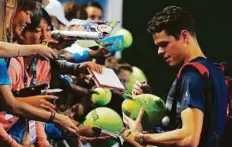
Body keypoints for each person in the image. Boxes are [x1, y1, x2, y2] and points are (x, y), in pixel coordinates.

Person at [124, 6, 228, 147]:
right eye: (158, 46)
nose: (160, 51)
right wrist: (150, 100)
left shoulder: (192, 74)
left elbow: (189, 138)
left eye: (164, 44)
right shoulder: (213, 71)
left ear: (185, 36)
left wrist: (142, 137)